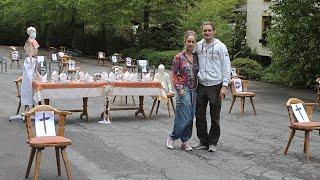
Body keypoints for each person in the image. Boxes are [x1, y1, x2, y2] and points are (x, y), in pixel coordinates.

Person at [193, 21, 231, 152]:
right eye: (205, 31)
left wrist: (225, 86)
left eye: (209, 30)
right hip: (201, 85)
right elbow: (190, 59)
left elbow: (226, 66)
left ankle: (213, 142)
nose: (207, 33)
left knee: (215, 116)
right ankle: (203, 141)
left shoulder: (221, 47)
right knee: (199, 115)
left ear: (214, 31)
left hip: (216, 86)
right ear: (202, 32)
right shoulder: (198, 46)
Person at [166, 30, 198, 151]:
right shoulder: (178, 57)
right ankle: (172, 137)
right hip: (183, 89)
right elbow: (173, 74)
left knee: (190, 117)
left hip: (195, 90)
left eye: (193, 42)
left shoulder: (196, 57)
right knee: (183, 116)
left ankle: (185, 141)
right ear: (185, 42)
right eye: (188, 41)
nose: (190, 44)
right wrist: (178, 88)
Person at [21, 26, 40, 109]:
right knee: (29, 83)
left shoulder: (32, 41)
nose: (34, 33)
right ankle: (30, 104)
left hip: (33, 60)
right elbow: (29, 51)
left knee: (34, 81)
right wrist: (32, 57)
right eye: (33, 31)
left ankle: (34, 103)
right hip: (30, 61)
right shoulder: (29, 41)